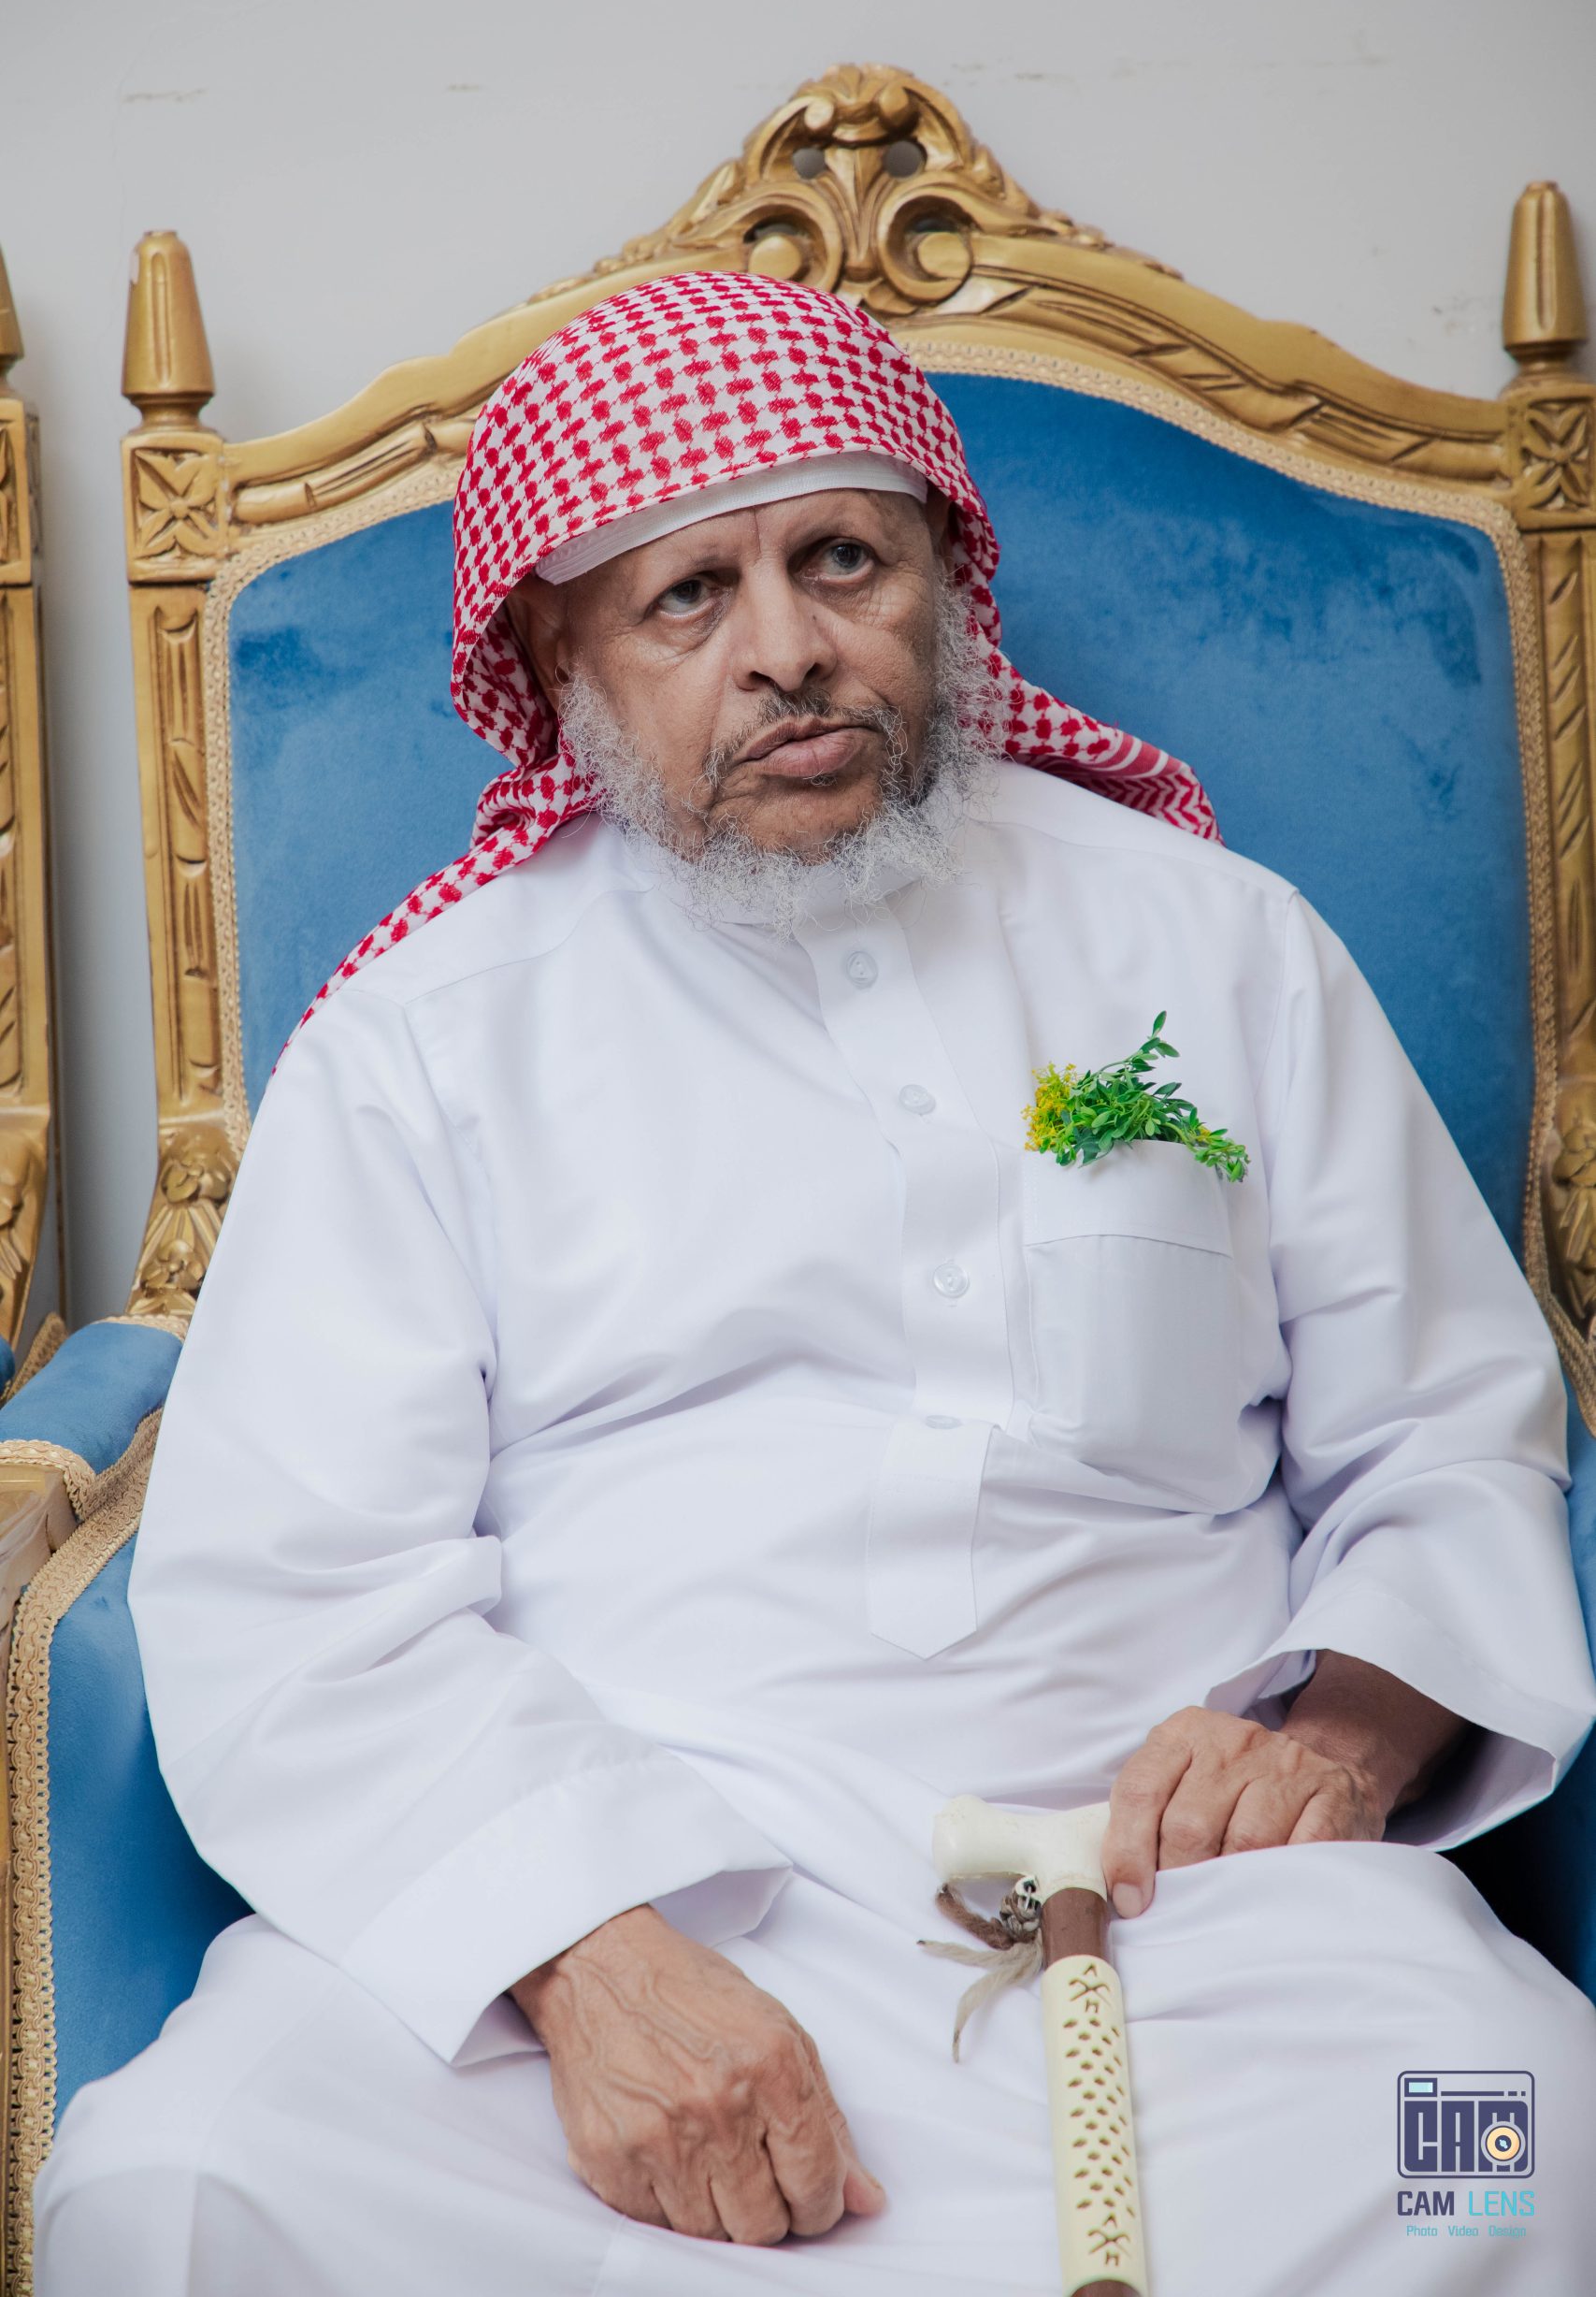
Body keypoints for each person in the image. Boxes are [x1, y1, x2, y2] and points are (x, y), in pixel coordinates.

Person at [35, 272, 1596, 2295]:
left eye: (841, 559)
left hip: (1192, 1912)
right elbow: (294, 1587)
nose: (786, 648)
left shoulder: (1219, 944)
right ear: (560, 655)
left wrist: (1349, 1739)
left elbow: (1449, 1433)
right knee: (182, 2188)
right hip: (640, 1895)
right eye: (688, 595)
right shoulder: (423, 1042)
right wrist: (585, 1959)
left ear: (941, 578)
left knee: (1521, 2148)